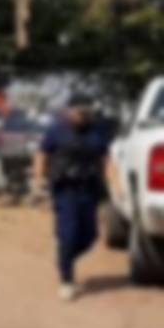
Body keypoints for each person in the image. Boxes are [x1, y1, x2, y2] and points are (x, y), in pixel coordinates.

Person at [33, 94, 109, 301]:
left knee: (90, 236)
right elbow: (41, 154)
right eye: (78, 111)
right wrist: (38, 180)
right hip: (65, 190)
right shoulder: (56, 130)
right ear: (69, 110)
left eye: (86, 111)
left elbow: (105, 159)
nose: (82, 115)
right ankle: (66, 280)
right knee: (68, 235)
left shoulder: (97, 131)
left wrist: (114, 185)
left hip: (89, 190)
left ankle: (64, 258)